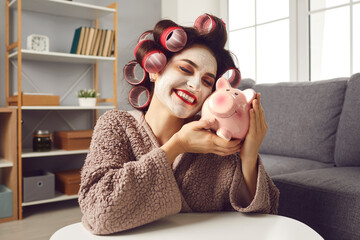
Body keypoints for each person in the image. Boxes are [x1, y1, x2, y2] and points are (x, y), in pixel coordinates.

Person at [78, 14, 279, 235]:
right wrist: (177, 146)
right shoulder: (116, 125)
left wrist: (249, 156)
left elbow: (264, 217)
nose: (194, 84)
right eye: (185, 69)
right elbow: (98, 211)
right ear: (155, 69)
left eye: (207, 81)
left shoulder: (216, 141)